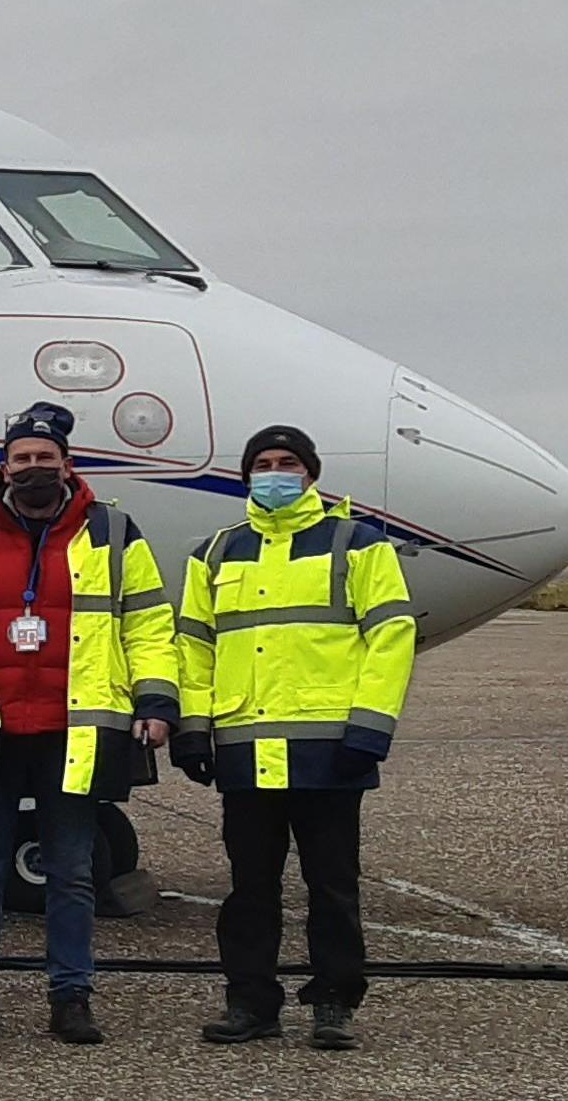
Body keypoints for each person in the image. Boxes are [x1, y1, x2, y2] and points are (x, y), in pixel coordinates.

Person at [0, 404, 177, 1047]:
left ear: (67, 464)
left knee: (72, 870)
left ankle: (71, 996)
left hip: (74, 730)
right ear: (4, 465)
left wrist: (157, 702)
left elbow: (146, 621)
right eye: (22, 459)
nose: (33, 469)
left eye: (45, 459)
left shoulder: (113, 532)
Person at [173, 423, 416, 1050]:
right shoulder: (216, 552)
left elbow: (389, 639)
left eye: (288, 462)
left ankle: (334, 1002)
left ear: (311, 474)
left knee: (332, 886)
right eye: (263, 463)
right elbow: (194, 649)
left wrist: (369, 728)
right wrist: (194, 729)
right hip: (247, 750)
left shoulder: (358, 544)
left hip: (331, 751)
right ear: (246, 475)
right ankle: (251, 1004)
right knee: (249, 887)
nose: (275, 473)